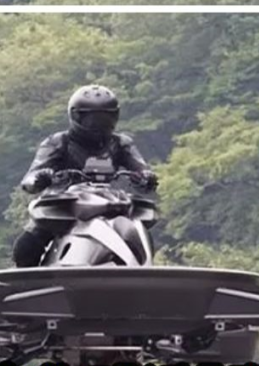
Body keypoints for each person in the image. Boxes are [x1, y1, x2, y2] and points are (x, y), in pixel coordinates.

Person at [12, 84, 158, 267]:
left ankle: (143, 268)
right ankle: (26, 275)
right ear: (76, 116)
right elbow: (30, 178)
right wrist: (40, 179)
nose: (98, 125)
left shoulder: (121, 143)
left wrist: (146, 178)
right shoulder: (58, 142)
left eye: (105, 119)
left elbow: (141, 168)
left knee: (139, 230)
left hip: (109, 201)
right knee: (29, 243)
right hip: (65, 204)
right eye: (92, 120)